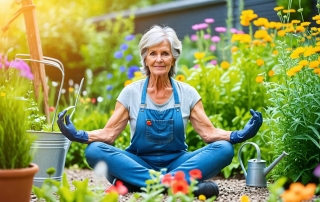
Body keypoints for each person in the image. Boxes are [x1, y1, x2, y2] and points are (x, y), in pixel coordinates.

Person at [57, 25, 263, 199]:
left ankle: (140, 185)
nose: (159, 59)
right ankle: (177, 185)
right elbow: (109, 135)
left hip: (177, 162)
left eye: (165, 53)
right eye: (153, 53)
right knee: (94, 151)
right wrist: (79, 136)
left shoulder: (187, 93)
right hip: (138, 162)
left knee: (224, 149)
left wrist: (238, 135)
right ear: (145, 58)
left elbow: (208, 133)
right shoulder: (131, 92)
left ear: (173, 59)